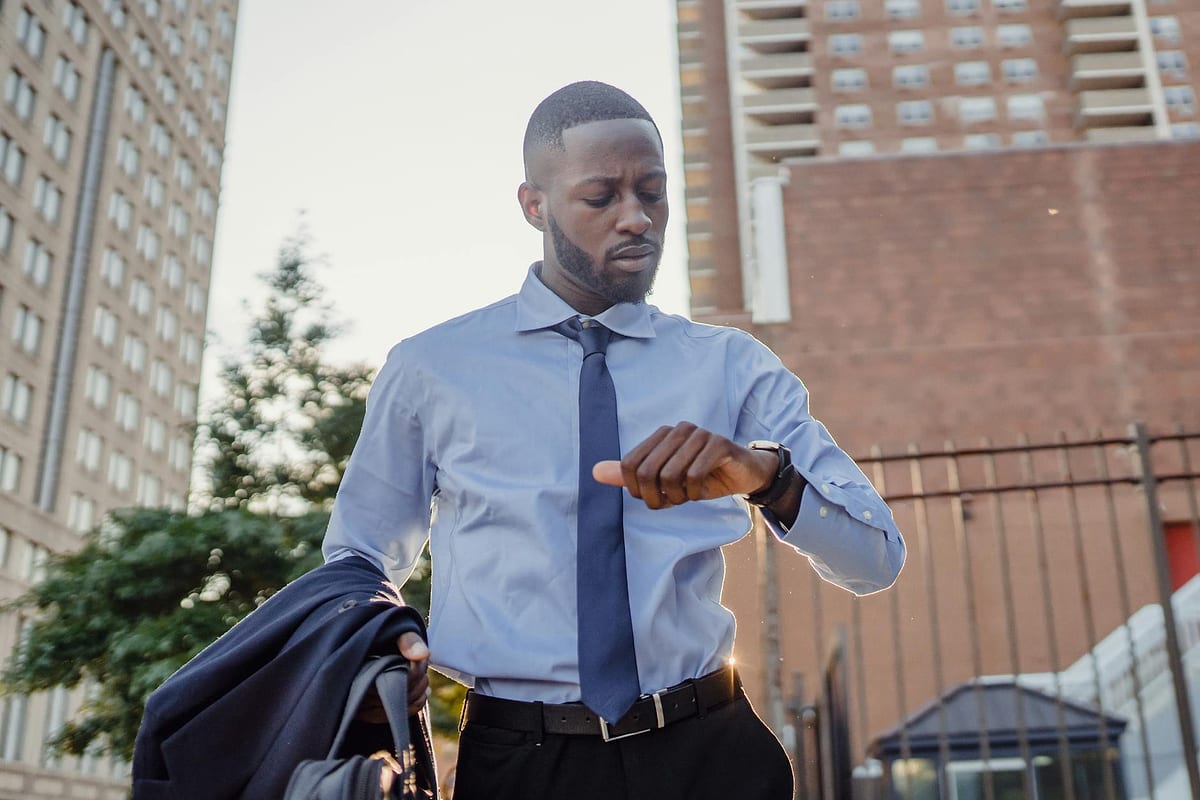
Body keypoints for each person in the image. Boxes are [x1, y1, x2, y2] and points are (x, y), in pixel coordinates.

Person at [323, 80, 905, 800]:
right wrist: (386, 641)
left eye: (652, 192)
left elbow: (875, 560)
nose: (637, 219)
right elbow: (358, 555)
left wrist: (768, 478)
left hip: (710, 753)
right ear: (534, 205)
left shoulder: (731, 365)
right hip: (522, 763)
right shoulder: (432, 368)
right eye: (602, 197)